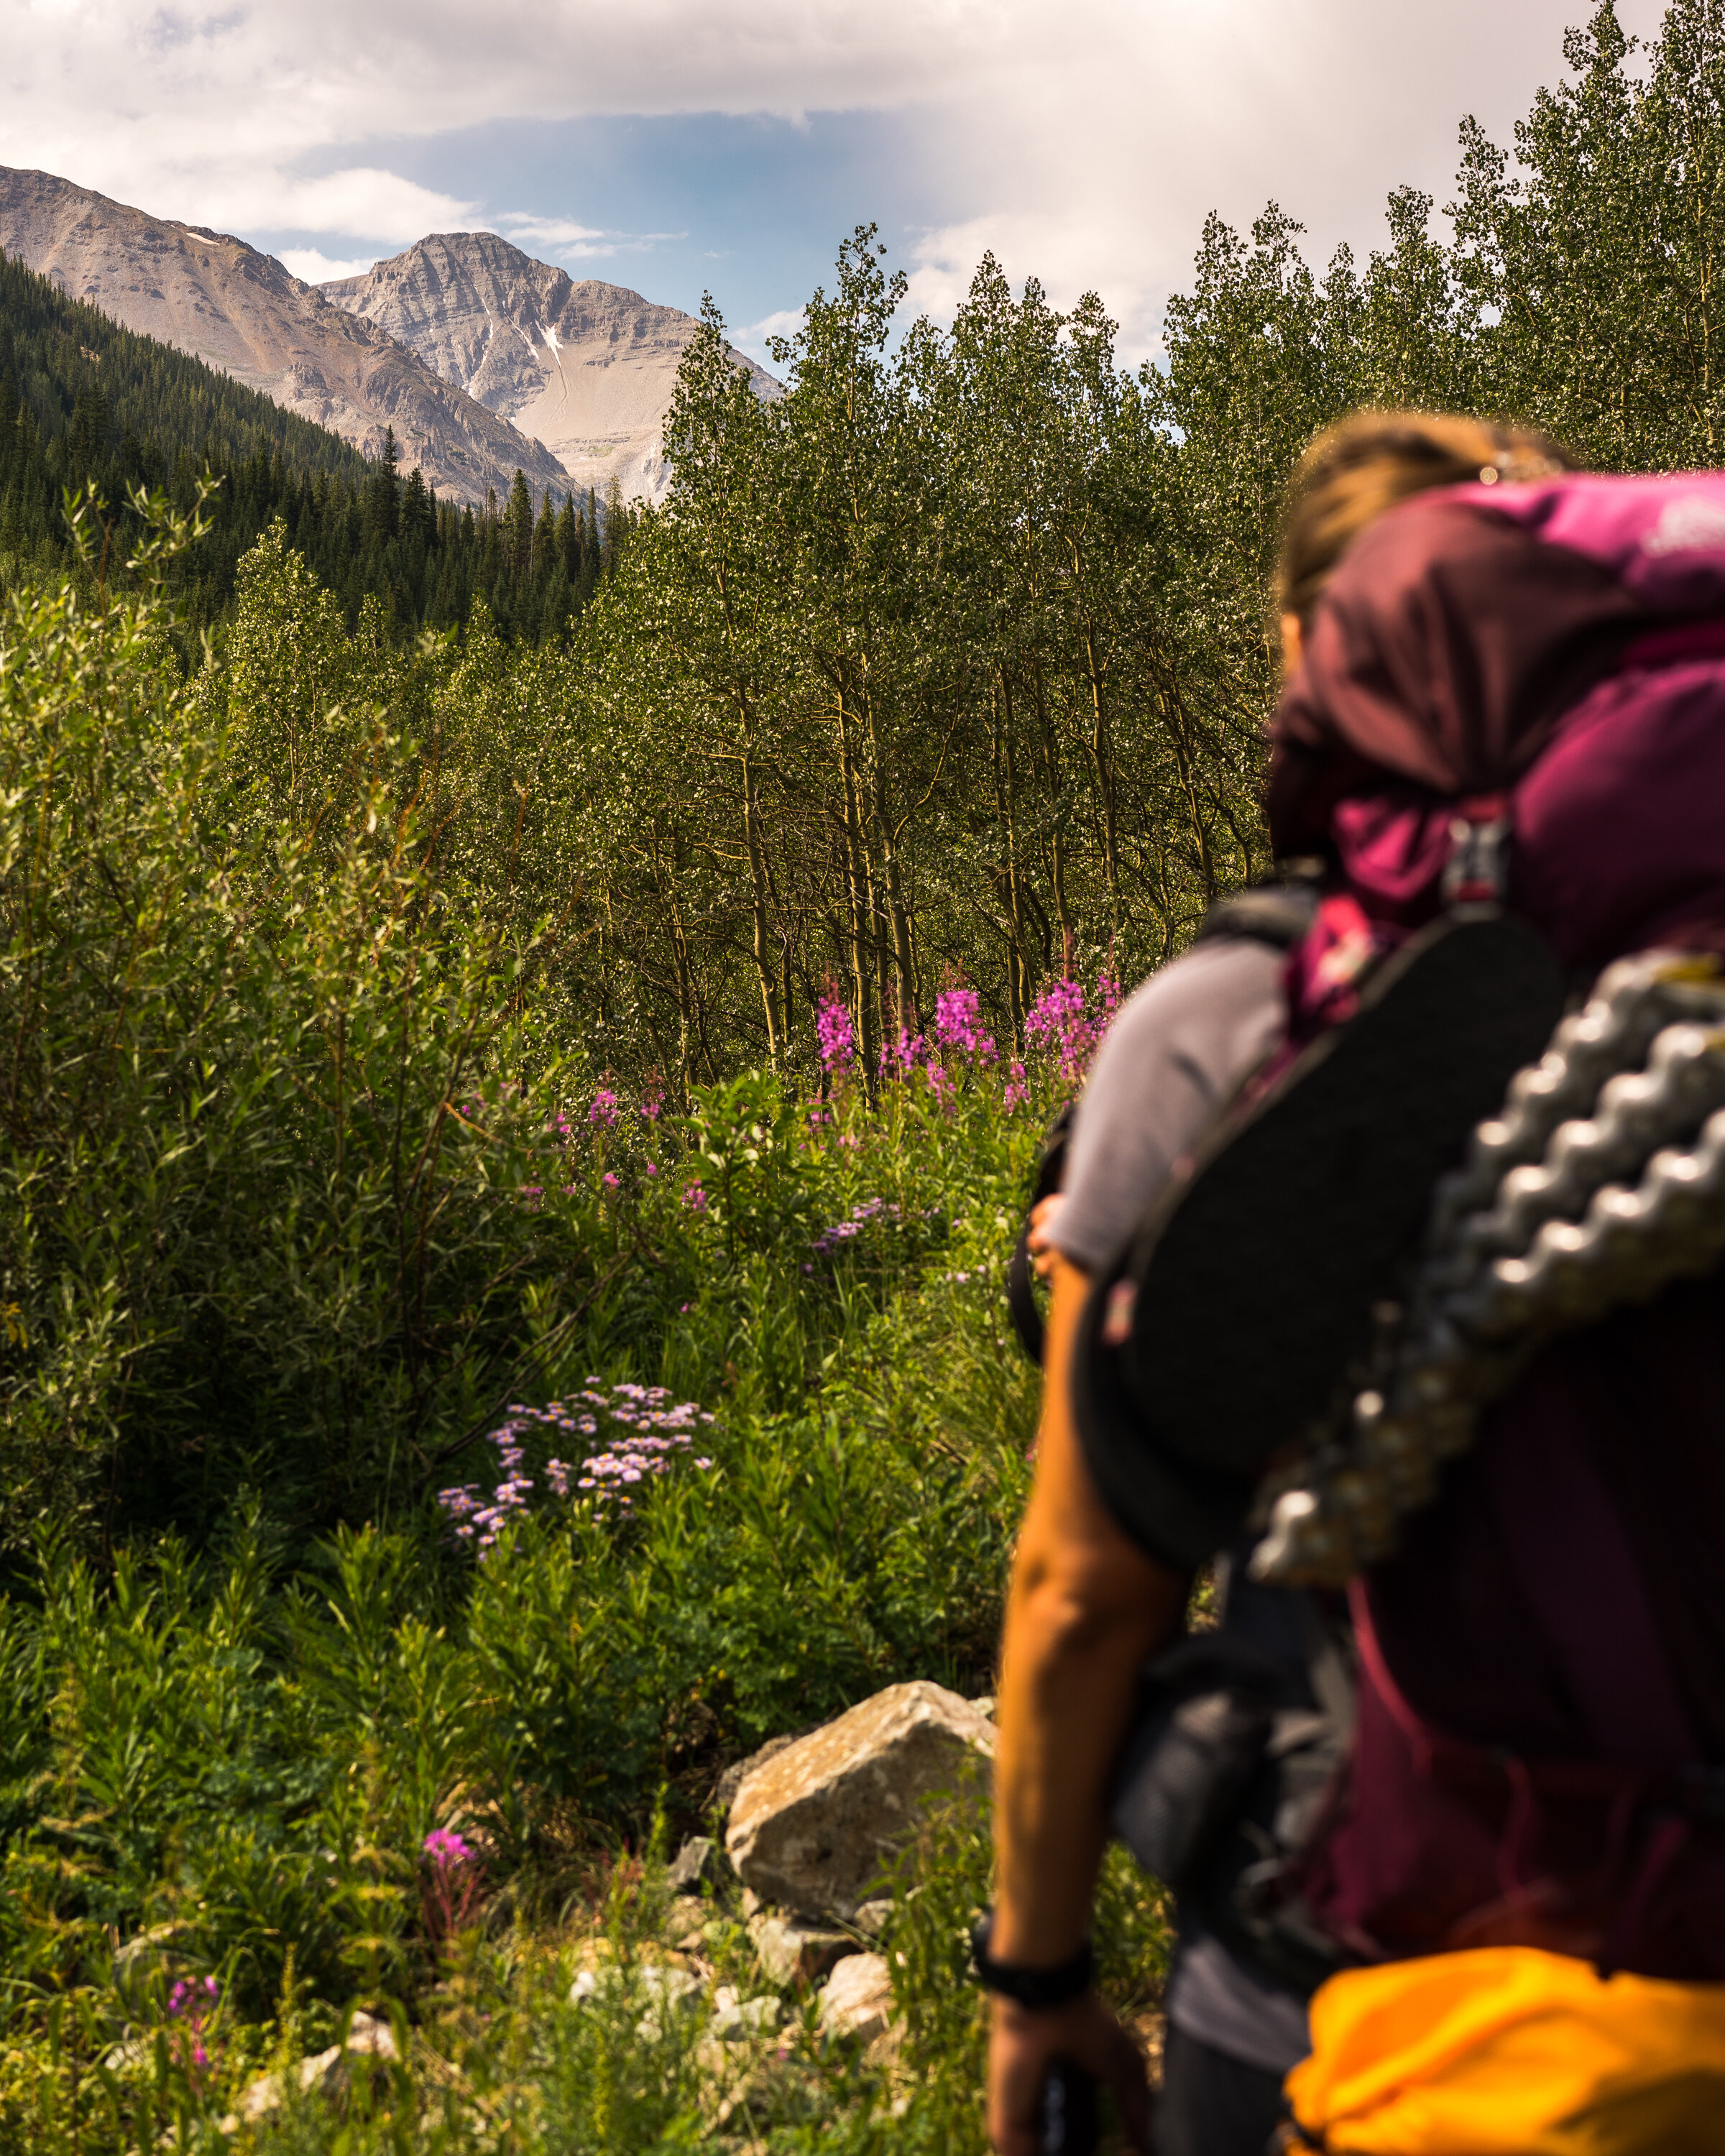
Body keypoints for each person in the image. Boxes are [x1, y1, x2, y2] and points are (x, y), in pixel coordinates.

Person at [981, 411, 1725, 2156]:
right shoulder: (1686, 989)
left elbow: (1085, 1585)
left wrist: (1034, 1976)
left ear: (1314, 662)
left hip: (1390, 1964)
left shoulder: (1227, 1022)